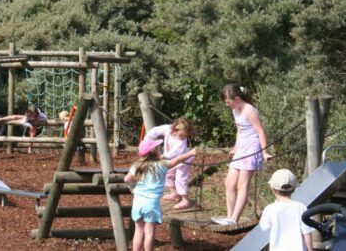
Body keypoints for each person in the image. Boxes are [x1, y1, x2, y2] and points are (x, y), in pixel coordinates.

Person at [212, 84, 272, 225]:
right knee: (229, 183)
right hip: (241, 149)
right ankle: (229, 217)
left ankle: (234, 219)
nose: (227, 105)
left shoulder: (249, 110)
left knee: (242, 184)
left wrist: (264, 152)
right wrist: (235, 147)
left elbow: (260, 131)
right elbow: (240, 130)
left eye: (228, 102)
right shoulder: (235, 110)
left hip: (252, 148)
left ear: (237, 99)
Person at [125, 138, 198, 251]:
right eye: (159, 147)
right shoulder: (161, 166)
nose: (161, 148)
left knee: (138, 231)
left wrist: (133, 189)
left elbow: (127, 179)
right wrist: (191, 153)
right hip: (151, 205)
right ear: (154, 151)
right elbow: (178, 160)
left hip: (137, 203)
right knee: (149, 233)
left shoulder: (137, 165)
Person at [144, 117, 195, 209]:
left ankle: (185, 200)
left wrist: (164, 156)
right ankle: (173, 193)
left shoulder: (181, 141)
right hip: (171, 160)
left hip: (183, 160)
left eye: (185, 136)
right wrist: (147, 139)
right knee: (167, 175)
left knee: (180, 179)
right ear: (175, 129)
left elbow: (176, 152)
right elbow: (156, 131)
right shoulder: (168, 129)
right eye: (181, 135)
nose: (183, 137)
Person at [259, 169, 314, 251]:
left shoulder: (270, 209)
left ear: (272, 188)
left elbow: (264, 227)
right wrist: (310, 249)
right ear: (294, 189)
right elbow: (306, 232)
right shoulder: (300, 207)